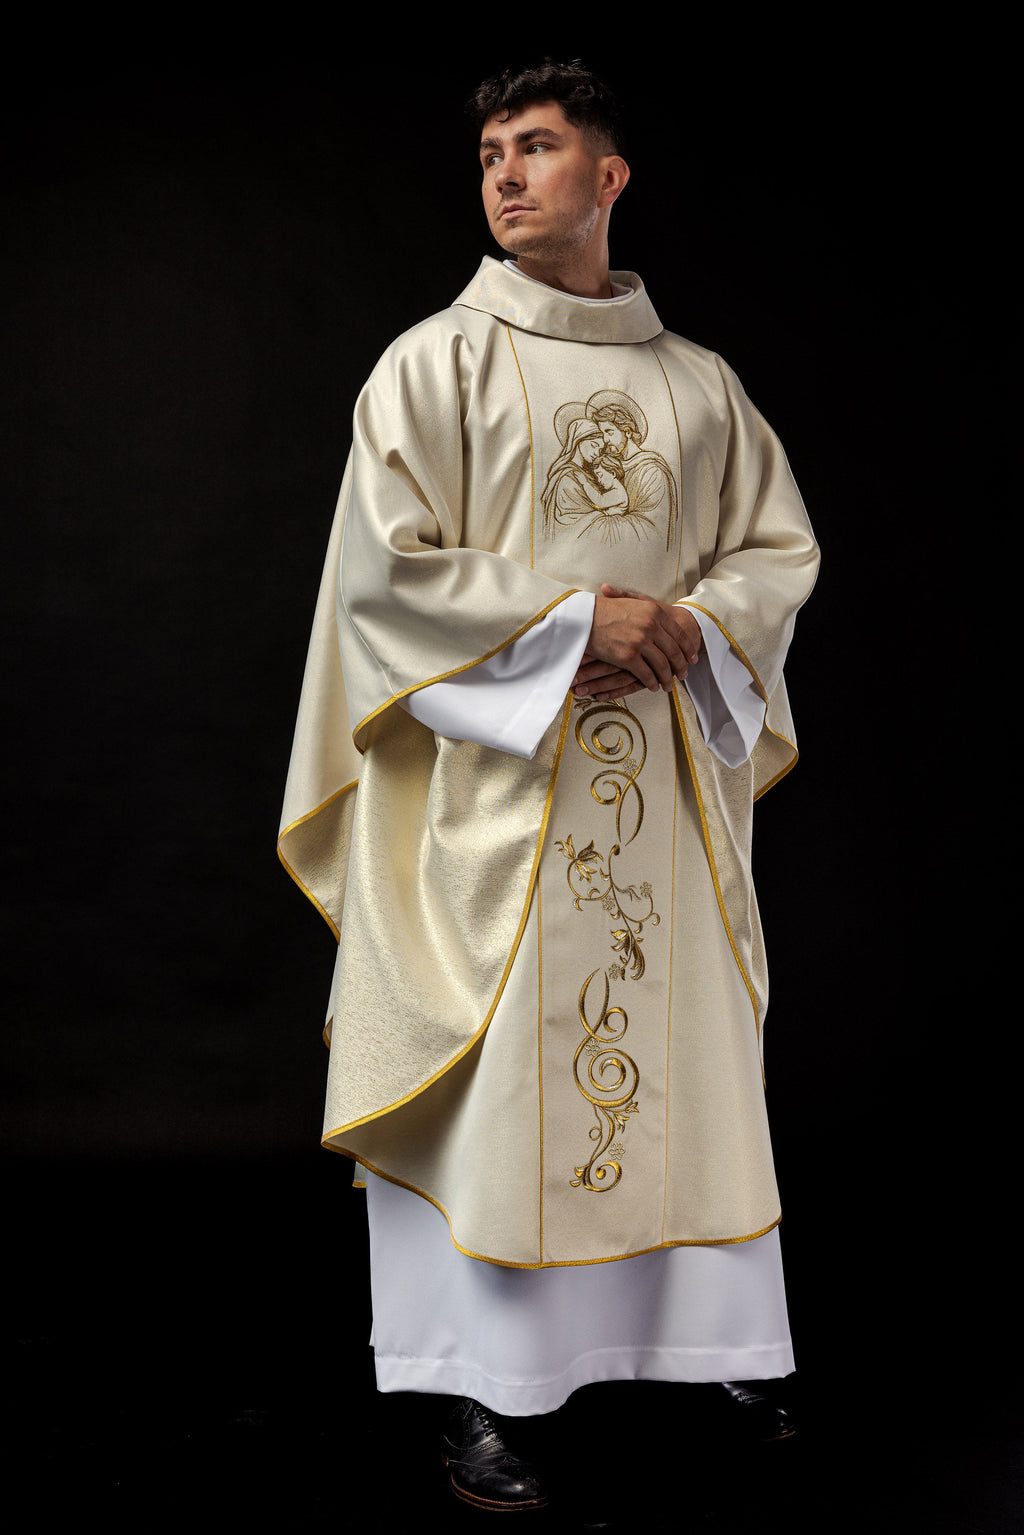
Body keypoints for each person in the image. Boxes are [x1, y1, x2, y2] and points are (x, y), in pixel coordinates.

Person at [279, 59, 819, 1514]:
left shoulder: (699, 383)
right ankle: (488, 1384)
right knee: (504, 1087)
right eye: (489, 157)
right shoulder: (432, 366)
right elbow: (383, 577)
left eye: (536, 146)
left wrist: (691, 626)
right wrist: (578, 623)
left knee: (681, 1060)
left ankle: (704, 1346)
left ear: (610, 176)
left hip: (661, 798)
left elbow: (774, 553)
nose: (506, 176)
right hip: (497, 795)